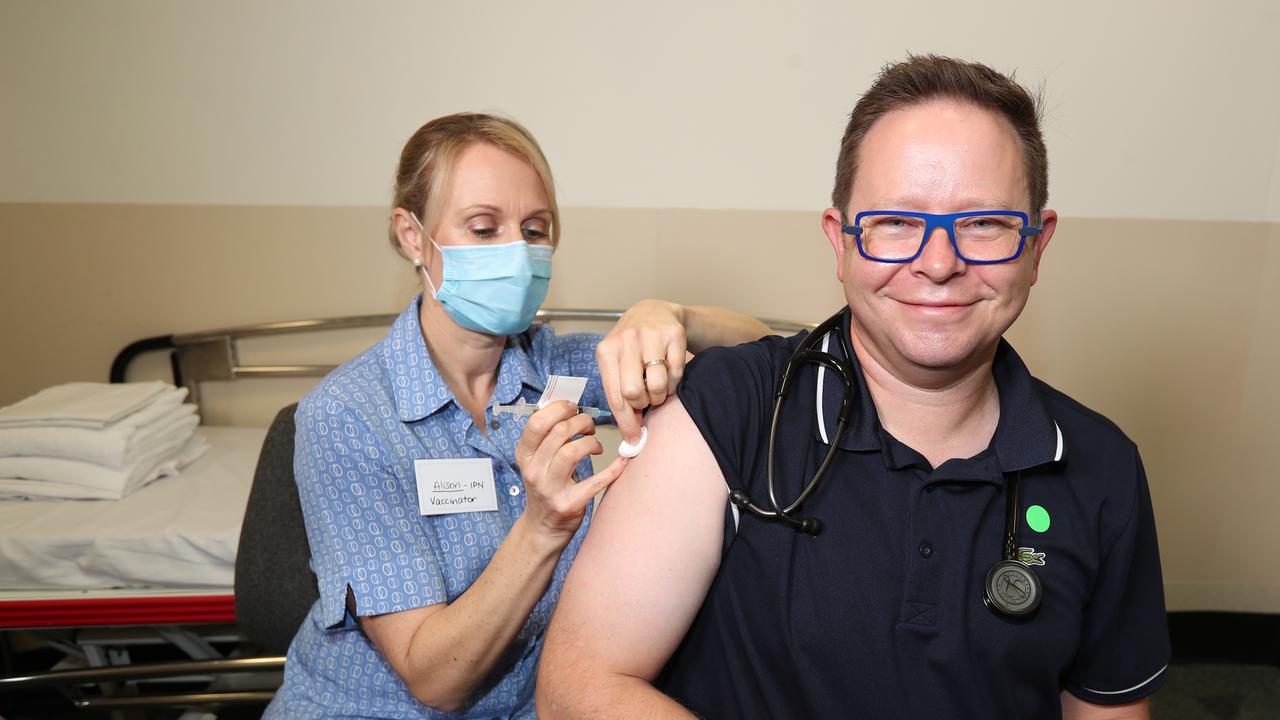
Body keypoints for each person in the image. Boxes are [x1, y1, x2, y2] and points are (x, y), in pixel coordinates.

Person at [538, 56, 1170, 719]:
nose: (938, 264)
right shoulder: (727, 411)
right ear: (840, 244)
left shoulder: (1101, 468)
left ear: (1036, 248)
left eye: (984, 223)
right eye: (897, 222)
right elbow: (579, 688)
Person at [264, 112, 770, 719]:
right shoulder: (348, 417)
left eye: (535, 229)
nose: (517, 252)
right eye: (483, 228)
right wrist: (542, 527)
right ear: (412, 235)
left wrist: (669, 313)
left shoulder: (559, 369)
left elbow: (760, 357)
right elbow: (434, 679)